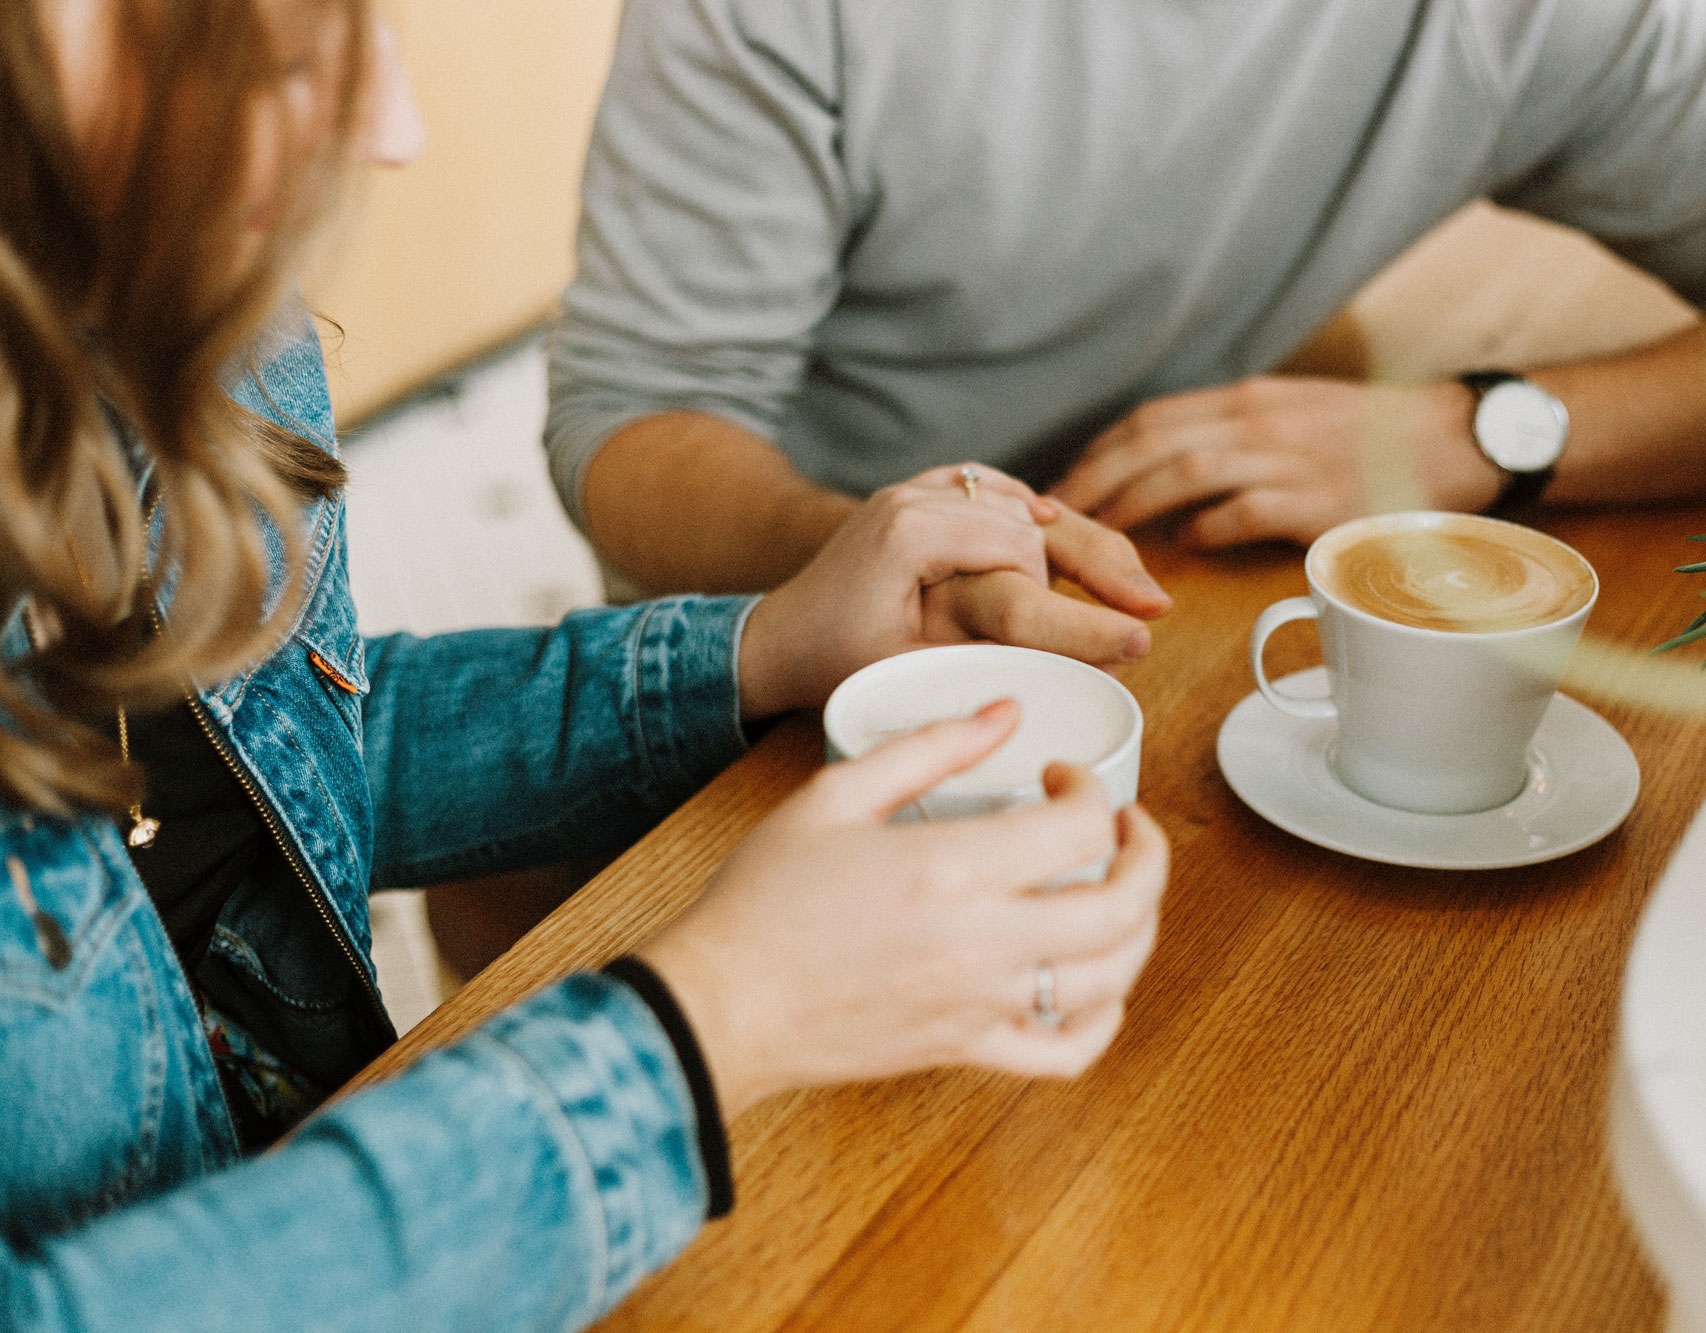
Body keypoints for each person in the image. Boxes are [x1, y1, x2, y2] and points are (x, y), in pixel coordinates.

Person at [0, 3, 1168, 1328]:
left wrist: (760, 644)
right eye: (268, 45)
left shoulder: (164, 309)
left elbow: (281, 760)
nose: (392, 130)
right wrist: (711, 1023)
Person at [546, 0, 1706, 604]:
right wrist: (869, 558)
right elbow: (637, 422)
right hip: (787, 615)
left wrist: (1493, 430)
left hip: (1189, 578)